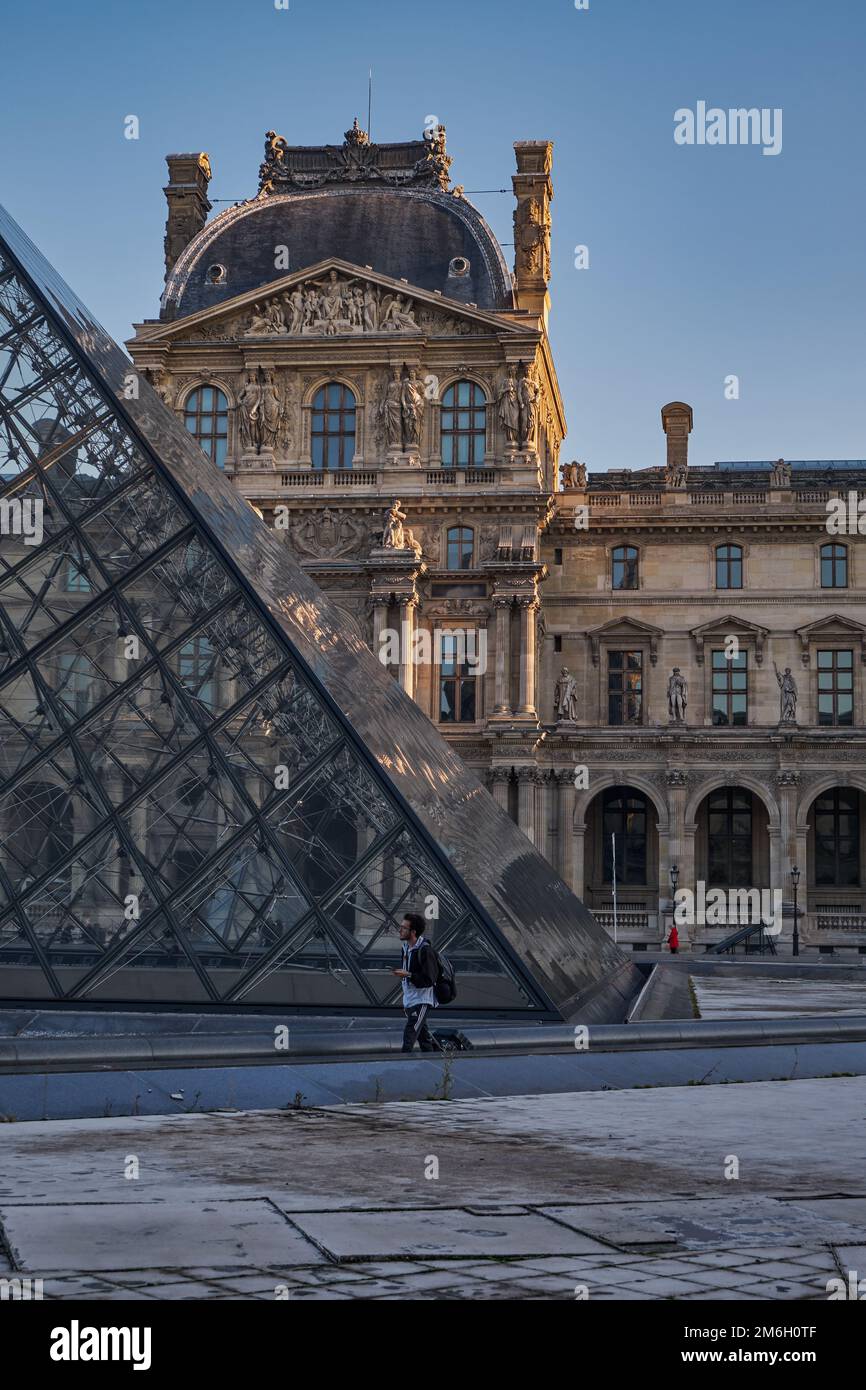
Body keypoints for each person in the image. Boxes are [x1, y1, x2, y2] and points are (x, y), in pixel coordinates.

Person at [393, 912, 441, 1052]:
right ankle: (439, 1062)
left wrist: (408, 974)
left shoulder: (425, 950)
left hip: (421, 999)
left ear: (413, 932)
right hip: (410, 999)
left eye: (404, 928)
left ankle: (400, 1063)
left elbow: (429, 979)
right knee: (423, 1037)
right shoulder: (405, 948)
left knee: (410, 1032)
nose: (400, 930)